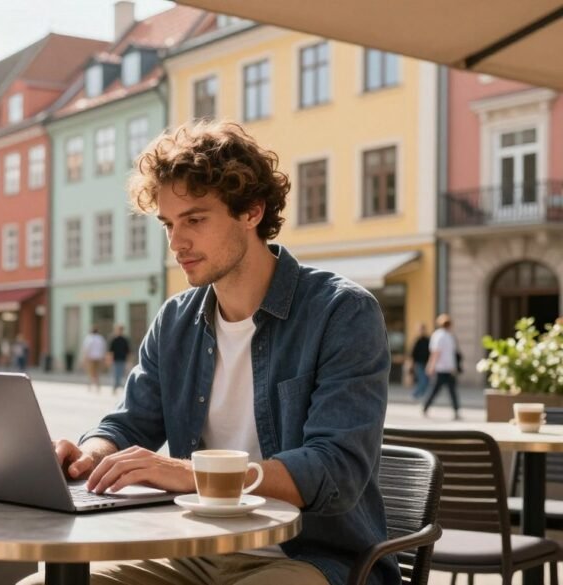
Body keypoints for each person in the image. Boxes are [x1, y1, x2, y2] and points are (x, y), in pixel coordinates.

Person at [34, 121, 395, 585]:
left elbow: (335, 470)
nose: (176, 243)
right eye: (168, 223)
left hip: (313, 557)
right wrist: (88, 455)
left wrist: (190, 474)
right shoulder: (175, 321)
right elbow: (129, 423)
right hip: (193, 548)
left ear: (252, 211)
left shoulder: (342, 313)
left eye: (195, 220)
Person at [423, 313, 461, 420]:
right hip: (447, 368)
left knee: (436, 390)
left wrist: (430, 366)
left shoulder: (439, 335)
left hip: (441, 368)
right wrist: (454, 368)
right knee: (451, 391)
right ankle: (456, 410)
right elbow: (443, 353)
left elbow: (435, 353)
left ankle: (425, 407)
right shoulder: (449, 336)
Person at [80, 327, 107, 391]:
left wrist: (84, 358)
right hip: (99, 358)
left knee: (90, 372)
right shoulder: (101, 338)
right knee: (97, 372)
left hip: (91, 358)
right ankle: (98, 386)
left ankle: (89, 385)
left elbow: (86, 349)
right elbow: (103, 348)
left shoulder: (89, 338)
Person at [409, 323, 431, 400]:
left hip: (427, 363)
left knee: (426, 381)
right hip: (419, 363)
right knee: (423, 380)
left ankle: (419, 395)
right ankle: (415, 395)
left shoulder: (428, 340)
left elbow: (431, 352)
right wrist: (412, 364)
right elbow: (412, 354)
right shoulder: (417, 340)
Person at [108, 324, 131, 393]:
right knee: (115, 373)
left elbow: (128, 351)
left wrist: (129, 360)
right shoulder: (114, 339)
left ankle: (118, 385)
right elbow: (110, 351)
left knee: (120, 373)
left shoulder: (125, 340)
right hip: (115, 359)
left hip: (122, 359)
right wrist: (109, 360)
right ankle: (115, 386)